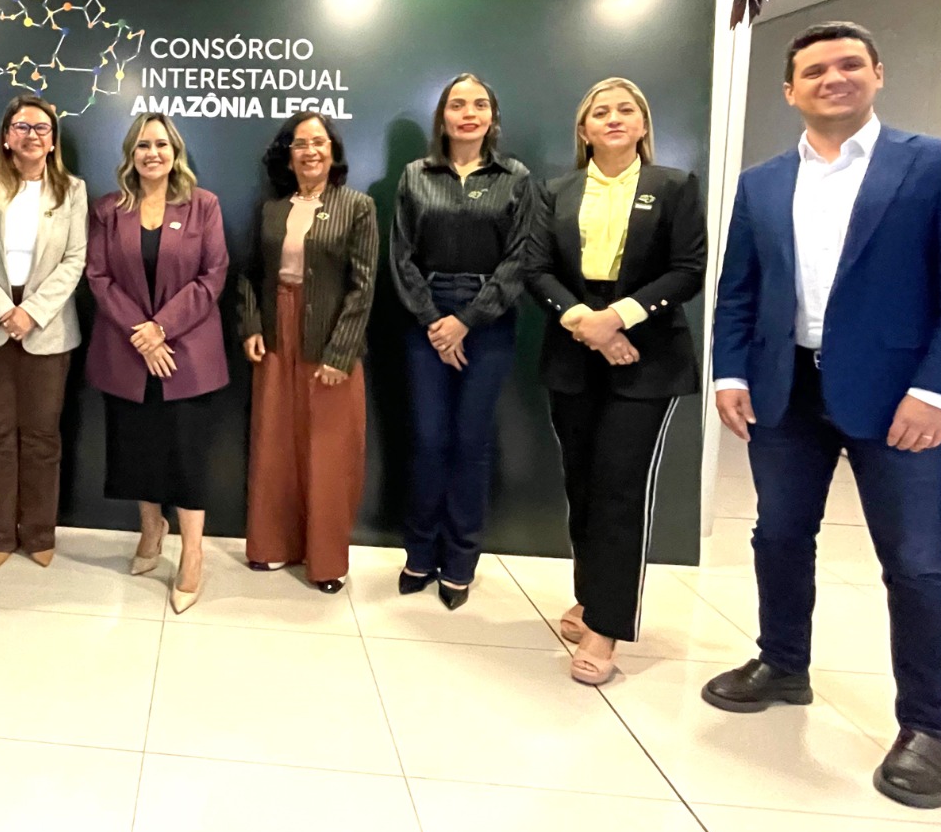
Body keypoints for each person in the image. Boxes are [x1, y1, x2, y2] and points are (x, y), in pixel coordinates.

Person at [706, 21, 941, 809]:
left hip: (899, 399)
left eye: (849, 65)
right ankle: (783, 663)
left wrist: (937, 390)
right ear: (790, 91)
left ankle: (933, 726)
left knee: (917, 561)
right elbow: (738, 289)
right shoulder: (763, 183)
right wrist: (730, 371)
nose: (832, 78)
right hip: (787, 390)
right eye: (814, 71)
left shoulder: (933, 165)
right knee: (778, 534)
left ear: (878, 74)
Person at [525, 76, 705, 685]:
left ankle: (607, 625)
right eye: (600, 112)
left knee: (619, 489)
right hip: (573, 349)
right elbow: (537, 269)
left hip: (646, 357)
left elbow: (688, 270)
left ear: (643, 124)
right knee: (582, 484)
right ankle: (590, 596)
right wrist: (588, 323)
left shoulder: (673, 186)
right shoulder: (556, 191)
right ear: (584, 130)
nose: (614, 118)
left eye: (626, 109)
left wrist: (619, 318)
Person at [390, 75, 533, 608]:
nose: (468, 113)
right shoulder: (415, 175)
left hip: (488, 321)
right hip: (424, 317)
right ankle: (420, 552)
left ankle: (460, 560)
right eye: (457, 104)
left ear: (492, 116)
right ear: (443, 117)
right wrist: (436, 321)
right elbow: (400, 256)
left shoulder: (514, 177)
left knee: (471, 444)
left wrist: (467, 320)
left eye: (479, 104)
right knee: (429, 441)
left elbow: (520, 259)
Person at [86, 113, 228, 613]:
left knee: (187, 457)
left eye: (161, 144)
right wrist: (142, 335)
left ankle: (192, 554)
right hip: (127, 352)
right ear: (131, 153)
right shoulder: (108, 209)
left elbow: (213, 275)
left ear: (175, 152)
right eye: (143, 145)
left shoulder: (203, 205)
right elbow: (98, 276)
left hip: (187, 352)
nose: (153, 153)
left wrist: (161, 328)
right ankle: (151, 528)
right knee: (137, 449)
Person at [238, 112, 378, 594]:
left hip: (328, 337)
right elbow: (250, 273)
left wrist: (341, 353)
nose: (310, 151)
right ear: (288, 155)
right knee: (274, 443)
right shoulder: (272, 209)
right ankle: (272, 545)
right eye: (300, 144)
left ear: (332, 151)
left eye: (319, 142)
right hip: (277, 334)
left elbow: (363, 287)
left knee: (329, 451)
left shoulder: (357, 207)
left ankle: (325, 561)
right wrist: (251, 325)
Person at [0, 95, 87, 568]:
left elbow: (75, 258)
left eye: (41, 128)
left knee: (42, 437)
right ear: (6, 136)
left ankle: (38, 533)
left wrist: (31, 312)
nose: (31, 135)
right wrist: (1, 309)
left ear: (53, 140)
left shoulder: (72, 190)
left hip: (48, 327)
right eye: (21, 126)